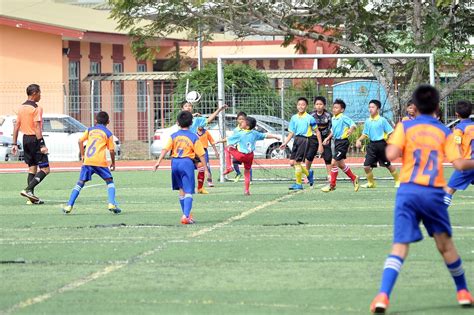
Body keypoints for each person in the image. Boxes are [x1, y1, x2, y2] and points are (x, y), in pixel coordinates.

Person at [370, 85, 474, 314]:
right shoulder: (444, 132)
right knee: (445, 246)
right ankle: (463, 291)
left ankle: (382, 296)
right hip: (433, 193)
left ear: (414, 107)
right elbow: (459, 164)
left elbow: (390, 155)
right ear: (437, 107)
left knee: (399, 246)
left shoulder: (405, 126)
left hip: (408, 192)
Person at [153, 111, 207, 224]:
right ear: (192, 123)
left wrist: (158, 162)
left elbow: (165, 149)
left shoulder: (174, 136)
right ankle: (186, 216)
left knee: (181, 191)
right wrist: (205, 168)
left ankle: (186, 215)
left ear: (178, 123)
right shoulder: (193, 137)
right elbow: (201, 154)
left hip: (175, 163)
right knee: (188, 191)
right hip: (186, 163)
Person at [62, 111, 121, 214]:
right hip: (100, 162)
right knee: (109, 182)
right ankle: (111, 203)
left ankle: (69, 206)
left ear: (95, 121)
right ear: (108, 122)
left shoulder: (90, 130)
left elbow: (80, 141)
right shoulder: (108, 133)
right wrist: (113, 163)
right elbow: (111, 150)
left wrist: (83, 154)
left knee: (80, 183)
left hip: (88, 161)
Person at [220, 116, 280, 195]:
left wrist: (218, 141)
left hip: (241, 155)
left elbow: (228, 139)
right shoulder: (255, 133)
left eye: (243, 121)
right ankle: (247, 190)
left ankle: (229, 168)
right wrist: (275, 136)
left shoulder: (240, 133)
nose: (241, 122)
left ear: (247, 126)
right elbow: (265, 135)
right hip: (250, 156)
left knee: (227, 148)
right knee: (247, 172)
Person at [12, 84, 50, 204]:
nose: (40, 95)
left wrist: (14, 143)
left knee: (32, 168)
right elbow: (37, 127)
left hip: (25, 140)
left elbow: (16, 126)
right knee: (45, 169)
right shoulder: (36, 108)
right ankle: (28, 190)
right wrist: (42, 144)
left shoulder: (21, 107)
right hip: (35, 139)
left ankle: (31, 198)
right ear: (34, 93)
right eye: (39, 93)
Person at [180, 100, 227, 194]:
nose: (188, 107)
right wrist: (191, 116)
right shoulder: (182, 118)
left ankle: (200, 188)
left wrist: (219, 109)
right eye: (186, 106)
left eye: (190, 106)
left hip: (196, 148)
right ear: (182, 109)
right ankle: (185, 187)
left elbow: (209, 120)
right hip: (186, 148)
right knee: (186, 169)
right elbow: (179, 123)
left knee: (201, 167)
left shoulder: (197, 120)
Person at [280, 97, 323, 190]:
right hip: (296, 140)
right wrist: (285, 143)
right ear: (297, 106)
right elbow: (291, 132)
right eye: (299, 104)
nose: (301, 106)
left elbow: (317, 132)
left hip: (305, 140)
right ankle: (308, 173)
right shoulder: (294, 118)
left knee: (297, 163)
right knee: (292, 163)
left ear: (306, 106)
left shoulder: (310, 118)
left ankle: (298, 184)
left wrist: (320, 145)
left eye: (303, 105)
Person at [356, 100, 400, 188]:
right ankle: (371, 183)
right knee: (366, 166)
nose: (370, 109)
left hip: (381, 145)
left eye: (373, 107)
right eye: (369, 107)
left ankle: (398, 181)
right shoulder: (368, 121)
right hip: (372, 146)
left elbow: (391, 132)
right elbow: (365, 133)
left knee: (387, 165)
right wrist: (359, 140)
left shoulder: (382, 120)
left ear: (378, 109)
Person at [321, 99, 359, 192]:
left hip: (343, 142)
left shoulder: (343, 117)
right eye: (333, 107)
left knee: (333, 163)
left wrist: (351, 129)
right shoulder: (333, 118)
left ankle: (332, 185)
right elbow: (333, 131)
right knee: (341, 165)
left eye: (337, 108)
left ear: (342, 110)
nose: (334, 109)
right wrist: (327, 138)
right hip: (337, 142)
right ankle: (354, 178)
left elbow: (353, 124)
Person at [445, 100, 473, 200]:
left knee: (448, 190)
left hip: (467, 163)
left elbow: (457, 145)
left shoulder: (459, 129)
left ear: (456, 114)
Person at [306, 96, 333, 182]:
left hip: (325, 138)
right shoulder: (311, 115)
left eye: (321, 104)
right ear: (314, 105)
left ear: (324, 105)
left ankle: (329, 175)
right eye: (317, 104)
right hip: (313, 138)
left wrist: (328, 138)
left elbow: (332, 129)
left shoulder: (328, 115)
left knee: (328, 156)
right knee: (309, 155)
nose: (319, 106)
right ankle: (307, 174)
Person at [231, 111, 248, 182]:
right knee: (235, 162)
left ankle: (249, 179)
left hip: (247, 149)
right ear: (237, 120)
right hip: (238, 149)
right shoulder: (236, 130)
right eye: (239, 119)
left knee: (247, 165)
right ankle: (238, 173)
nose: (241, 121)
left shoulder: (248, 129)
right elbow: (234, 138)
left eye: (243, 119)